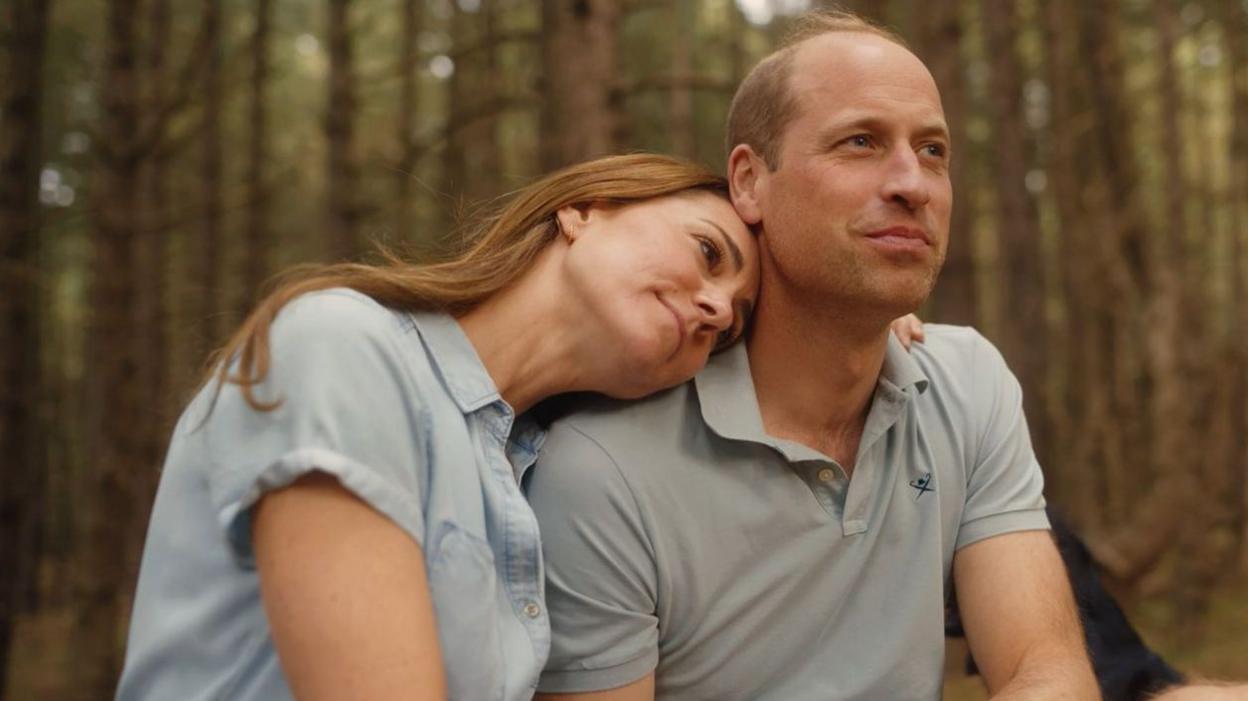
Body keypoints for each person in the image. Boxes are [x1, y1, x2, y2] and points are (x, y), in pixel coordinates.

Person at [526, 11, 1099, 701]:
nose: (911, 183)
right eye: (861, 141)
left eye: (933, 151)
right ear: (748, 181)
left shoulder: (966, 382)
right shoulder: (603, 466)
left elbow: (1045, 671)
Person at [114, 154, 762, 701]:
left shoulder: (530, 479)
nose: (714, 309)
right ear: (584, 209)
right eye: (708, 252)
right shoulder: (346, 346)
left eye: (731, 325)